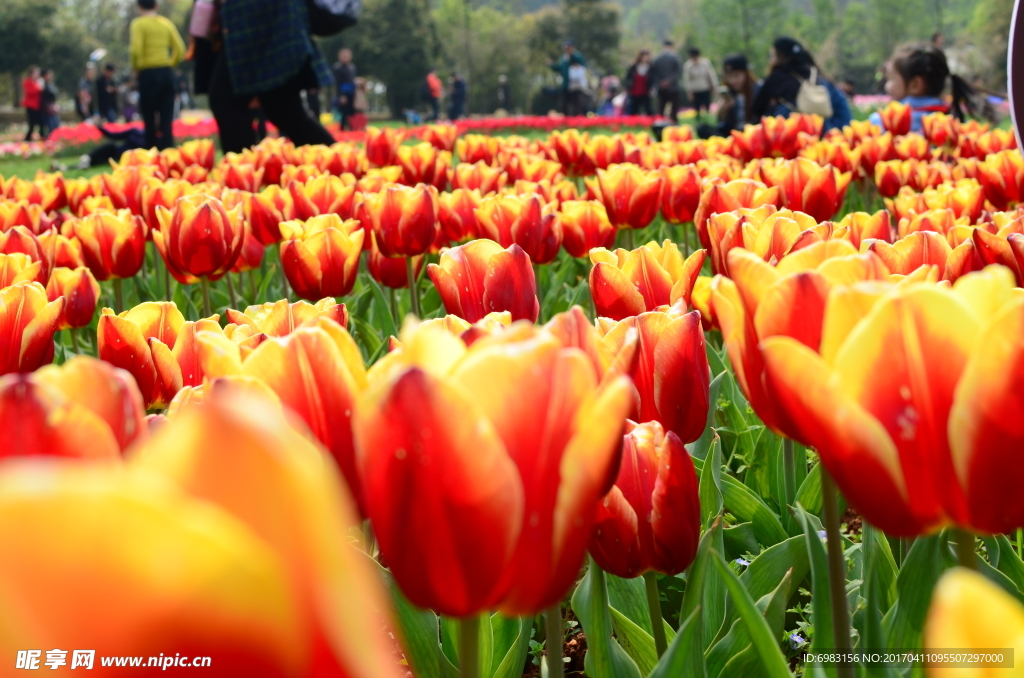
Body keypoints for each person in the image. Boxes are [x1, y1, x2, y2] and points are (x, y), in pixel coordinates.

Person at [205, 0, 337, 154]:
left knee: (227, 101)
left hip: (266, 20)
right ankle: (340, 161)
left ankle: (241, 171)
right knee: (282, 108)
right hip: (263, 20)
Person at [869, 44, 996, 133]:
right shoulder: (953, 122)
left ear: (915, 85)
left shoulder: (880, 122)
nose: (886, 86)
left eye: (890, 79)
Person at [750, 37, 852, 131]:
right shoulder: (820, 77)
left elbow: (757, 108)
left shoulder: (777, 77)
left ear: (779, 56)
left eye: (772, 55)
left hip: (790, 137)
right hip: (823, 133)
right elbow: (844, 114)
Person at [130, 0, 185, 149]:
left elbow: (136, 50)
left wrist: (136, 68)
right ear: (156, 6)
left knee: (149, 118)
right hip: (166, 73)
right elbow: (180, 49)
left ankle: (151, 152)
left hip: (147, 74)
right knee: (166, 119)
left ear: (139, 7)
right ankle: (168, 153)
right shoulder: (166, 23)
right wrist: (169, 64)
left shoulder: (139, 24)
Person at [700, 53, 759, 137]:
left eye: (736, 76)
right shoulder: (729, 94)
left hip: (752, 133)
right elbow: (724, 127)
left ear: (746, 73)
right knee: (702, 128)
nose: (733, 81)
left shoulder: (757, 89)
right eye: (729, 77)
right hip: (733, 134)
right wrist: (722, 113)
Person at [76, 125, 147, 169]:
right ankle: (87, 158)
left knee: (101, 159)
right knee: (110, 146)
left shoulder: (153, 139)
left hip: (123, 158)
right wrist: (100, 127)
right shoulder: (135, 131)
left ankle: (86, 161)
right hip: (115, 152)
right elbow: (114, 136)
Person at [550, 40, 587, 115]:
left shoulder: (577, 55)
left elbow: (582, 65)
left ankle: (577, 121)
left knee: (577, 105)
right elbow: (560, 68)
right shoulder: (563, 57)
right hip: (565, 85)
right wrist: (551, 65)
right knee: (563, 104)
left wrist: (571, 55)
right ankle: (566, 121)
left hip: (575, 85)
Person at [651, 40, 682, 120]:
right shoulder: (676, 57)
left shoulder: (657, 58)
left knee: (661, 107)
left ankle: (660, 123)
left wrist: (660, 82)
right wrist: (669, 81)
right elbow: (678, 72)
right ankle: (673, 121)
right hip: (673, 87)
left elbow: (654, 73)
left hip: (661, 87)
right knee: (674, 107)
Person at [684, 47, 718, 119]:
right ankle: (698, 120)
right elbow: (687, 80)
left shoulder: (705, 63)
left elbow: (711, 75)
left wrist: (714, 87)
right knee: (697, 107)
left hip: (705, 88)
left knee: (707, 105)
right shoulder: (688, 65)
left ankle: (708, 119)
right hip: (695, 89)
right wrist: (689, 92)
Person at [624, 49, 653, 115]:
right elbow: (627, 78)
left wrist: (652, 88)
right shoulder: (633, 67)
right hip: (634, 92)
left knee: (648, 110)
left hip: (645, 92)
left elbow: (653, 79)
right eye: (643, 56)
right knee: (633, 110)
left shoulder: (650, 68)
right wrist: (627, 87)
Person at [333, 48, 357, 128]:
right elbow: (337, 83)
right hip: (343, 93)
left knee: (352, 114)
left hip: (352, 94)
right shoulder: (337, 68)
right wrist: (341, 95)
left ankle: (353, 130)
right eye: (343, 55)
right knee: (343, 114)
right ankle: (342, 131)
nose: (345, 57)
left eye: (347, 55)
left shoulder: (352, 67)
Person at [40, 69, 60, 137]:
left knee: (56, 124)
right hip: (46, 109)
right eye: (49, 74)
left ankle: (55, 138)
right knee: (50, 126)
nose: (51, 75)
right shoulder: (42, 84)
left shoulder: (50, 84)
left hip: (52, 107)